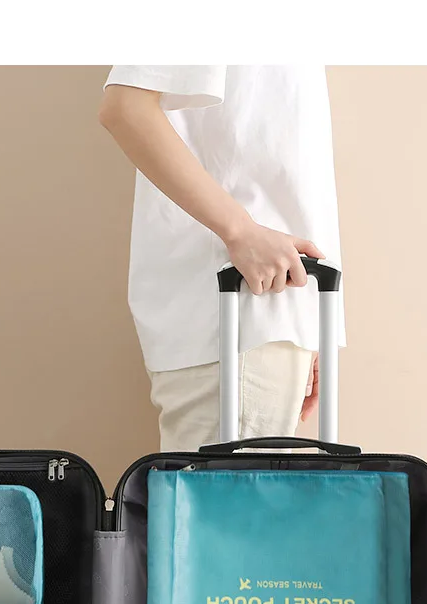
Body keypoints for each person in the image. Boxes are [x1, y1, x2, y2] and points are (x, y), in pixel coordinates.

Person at [99, 65, 345, 450]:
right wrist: (241, 231)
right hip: (237, 307)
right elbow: (126, 107)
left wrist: (309, 325)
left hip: (268, 311)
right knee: (226, 488)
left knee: (233, 487)